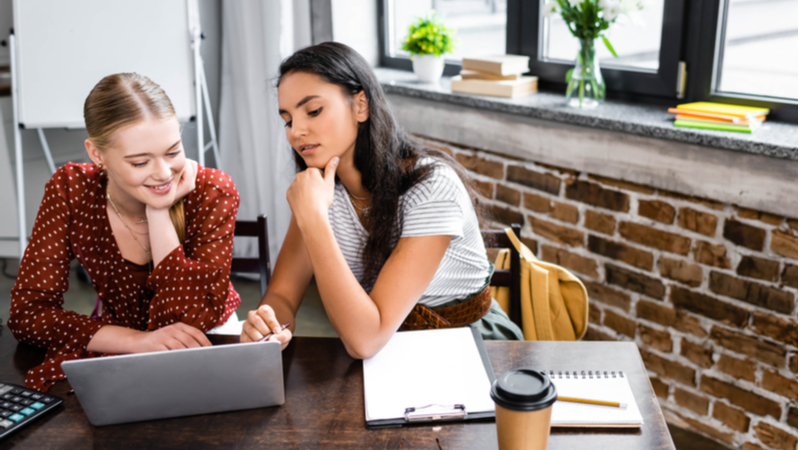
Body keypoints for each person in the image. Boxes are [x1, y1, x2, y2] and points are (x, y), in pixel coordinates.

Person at [241, 42, 522, 358]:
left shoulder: (433, 187)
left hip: (476, 349)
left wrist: (314, 220)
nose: (296, 132)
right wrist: (267, 323)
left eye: (314, 110)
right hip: (388, 352)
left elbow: (365, 340)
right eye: (288, 120)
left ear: (361, 105)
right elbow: (281, 294)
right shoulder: (320, 192)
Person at [9, 73, 241, 391]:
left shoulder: (212, 190)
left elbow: (191, 319)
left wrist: (158, 212)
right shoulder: (71, 189)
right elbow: (28, 315)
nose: (163, 174)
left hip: (207, 337)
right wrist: (137, 341)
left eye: (173, 152)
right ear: (97, 154)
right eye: (140, 162)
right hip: (124, 343)